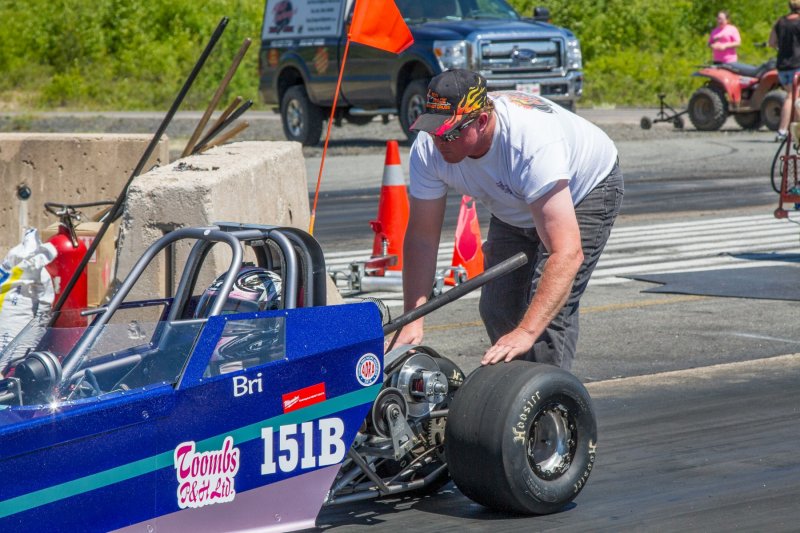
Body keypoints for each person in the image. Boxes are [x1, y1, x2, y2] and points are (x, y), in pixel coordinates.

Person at [394, 69, 623, 370]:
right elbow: (422, 238)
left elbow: (567, 253)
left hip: (583, 187)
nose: (439, 141)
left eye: (449, 132)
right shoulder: (428, 149)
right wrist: (412, 321)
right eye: (432, 129)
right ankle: (517, 389)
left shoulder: (530, 143)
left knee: (545, 321)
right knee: (498, 308)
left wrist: (526, 332)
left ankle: (550, 395)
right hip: (515, 196)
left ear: (481, 121)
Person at [770, 0, 800, 142]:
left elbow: (771, 43)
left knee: (795, 97)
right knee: (791, 97)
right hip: (797, 65)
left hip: (782, 66)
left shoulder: (780, 22)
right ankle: (782, 130)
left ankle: (794, 132)